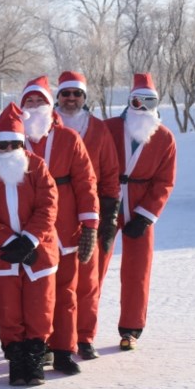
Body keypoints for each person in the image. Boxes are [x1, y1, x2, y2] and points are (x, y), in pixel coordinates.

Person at [0, 103, 58, 386]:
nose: (8, 149)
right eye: (2, 145)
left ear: (22, 143)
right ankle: (16, 359)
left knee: (39, 305)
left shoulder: (38, 166)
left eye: (14, 144)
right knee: (7, 308)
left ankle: (34, 357)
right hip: (2, 252)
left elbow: (48, 205)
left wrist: (30, 240)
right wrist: (8, 241)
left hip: (38, 251)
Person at [20, 75, 99, 375]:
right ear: (22, 105)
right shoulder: (14, 138)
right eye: (30, 100)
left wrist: (90, 224)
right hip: (29, 229)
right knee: (34, 294)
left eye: (40, 100)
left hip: (65, 226)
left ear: (49, 103)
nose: (35, 105)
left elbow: (86, 183)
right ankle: (38, 347)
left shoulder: (68, 139)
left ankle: (64, 349)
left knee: (66, 291)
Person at [103, 72, 176, 351]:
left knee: (138, 269)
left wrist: (146, 215)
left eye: (150, 101)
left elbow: (165, 181)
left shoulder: (164, 138)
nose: (143, 108)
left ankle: (131, 328)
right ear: (128, 101)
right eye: (137, 101)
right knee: (94, 264)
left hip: (140, 204)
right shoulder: (108, 128)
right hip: (109, 201)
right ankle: (81, 329)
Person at [54, 71, 122, 359]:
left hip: (89, 211)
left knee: (87, 278)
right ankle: (53, 336)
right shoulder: (46, 124)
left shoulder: (97, 129)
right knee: (52, 279)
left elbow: (109, 172)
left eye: (77, 94)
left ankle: (84, 336)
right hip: (51, 211)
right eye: (66, 94)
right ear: (57, 97)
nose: (71, 99)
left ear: (84, 97)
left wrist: (108, 216)